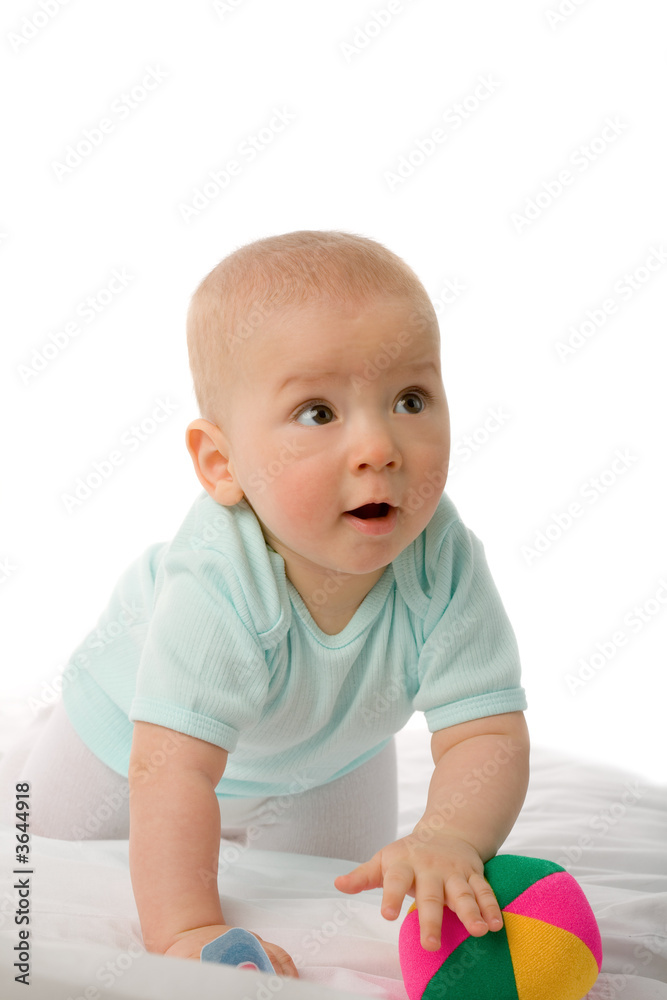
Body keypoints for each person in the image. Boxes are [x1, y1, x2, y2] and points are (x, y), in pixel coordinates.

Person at [0, 230, 529, 979]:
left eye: (410, 399)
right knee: (40, 844)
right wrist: (187, 928)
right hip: (131, 739)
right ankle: (35, 738)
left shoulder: (441, 558)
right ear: (222, 464)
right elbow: (171, 771)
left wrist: (447, 834)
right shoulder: (219, 577)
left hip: (329, 755)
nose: (379, 447)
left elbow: (485, 732)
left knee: (329, 894)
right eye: (317, 412)